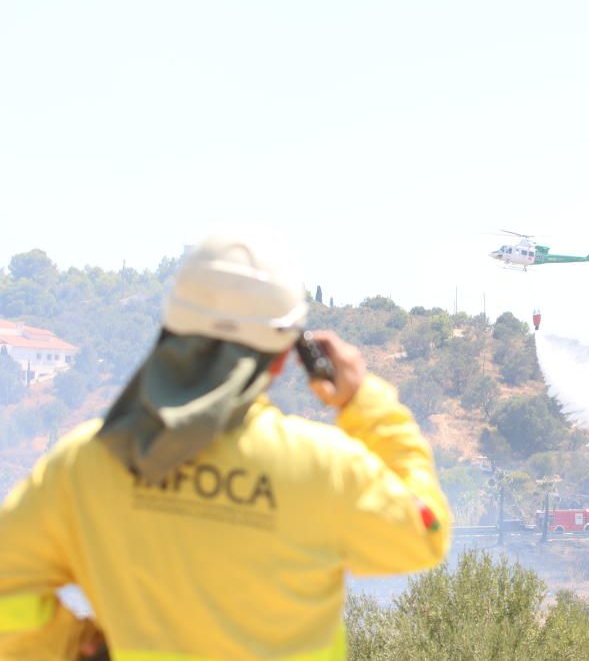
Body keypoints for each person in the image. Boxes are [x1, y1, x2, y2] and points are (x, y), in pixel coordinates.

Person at [0, 235, 451, 660]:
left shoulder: (88, 461)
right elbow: (425, 532)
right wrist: (363, 401)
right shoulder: (324, 467)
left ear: (173, 330)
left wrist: (74, 645)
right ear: (280, 358)